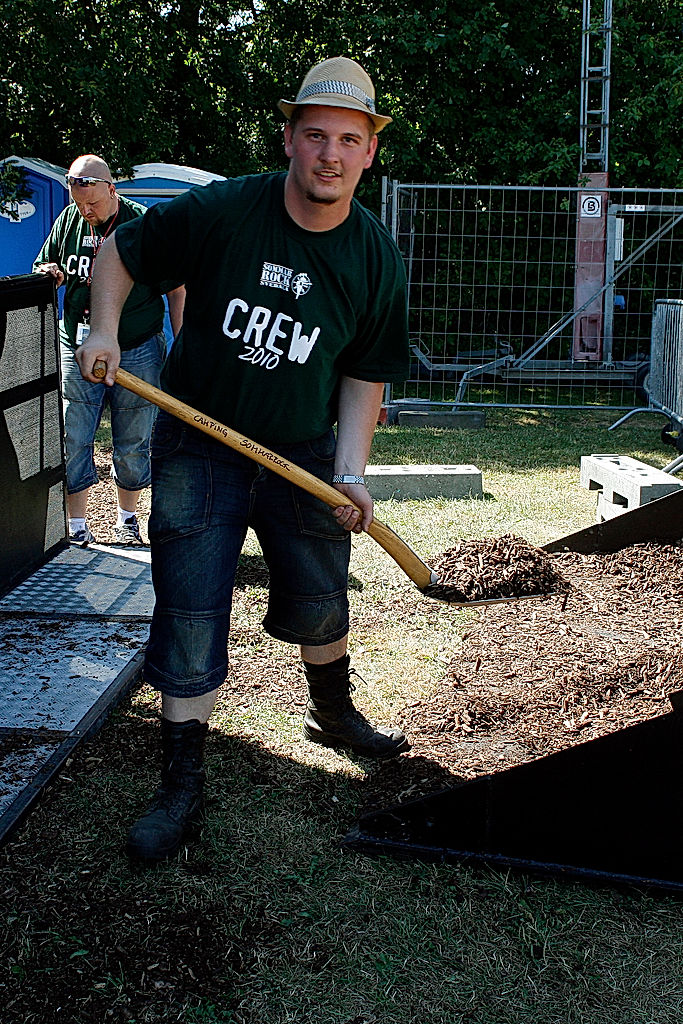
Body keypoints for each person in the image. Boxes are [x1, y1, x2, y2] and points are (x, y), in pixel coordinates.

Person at [76, 57, 411, 863]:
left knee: (321, 594)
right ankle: (181, 784)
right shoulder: (229, 209)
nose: (330, 154)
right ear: (290, 139)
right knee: (190, 610)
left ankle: (331, 711)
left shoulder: (373, 258)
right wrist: (103, 328)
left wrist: (352, 473)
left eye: (349, 140)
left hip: (300, 450)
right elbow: (120, 250)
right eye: (316, 135)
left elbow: (366, 373)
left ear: (368, 153)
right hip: (200, 440)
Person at [34, 155, 185, 546]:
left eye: (94, 204)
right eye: (79, 203)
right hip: (77, 344)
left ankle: (128, 519)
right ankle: (76, 524)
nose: (86, 211)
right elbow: (44, 263)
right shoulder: (69, 220)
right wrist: (49, 272)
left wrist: (182, 344)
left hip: (136, 346)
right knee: (73, 433)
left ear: (111, 189)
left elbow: (175, 287)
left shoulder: (142, 224)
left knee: (134, 437)